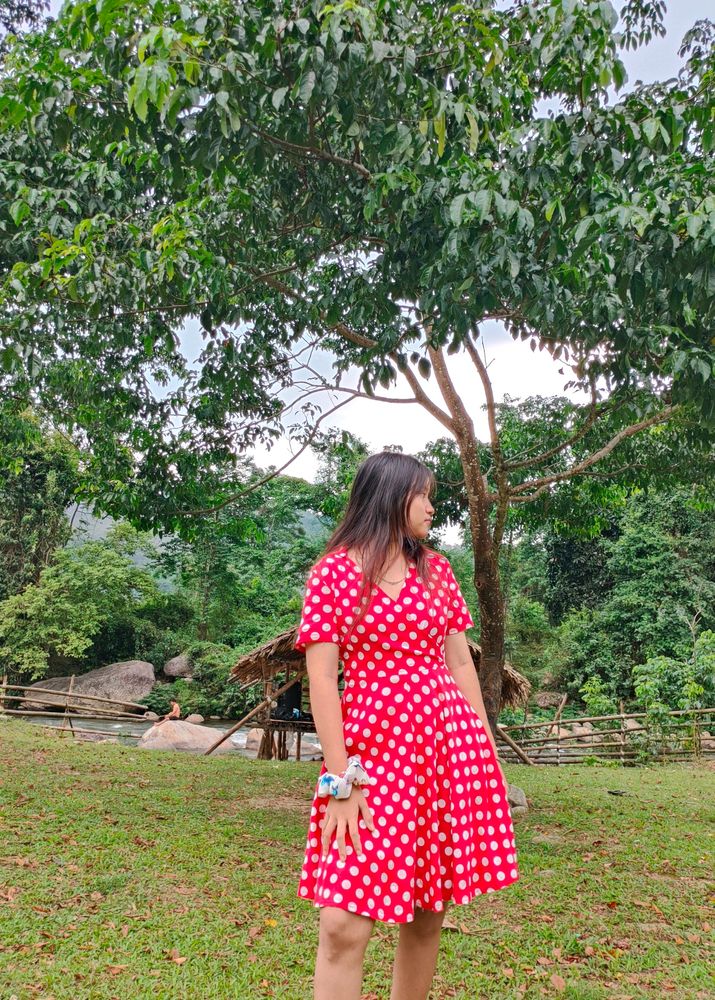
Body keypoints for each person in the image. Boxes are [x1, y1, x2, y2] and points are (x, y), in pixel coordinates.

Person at [294, 452, 519, 1000]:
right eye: (424, 494)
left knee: (425, 910)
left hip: (447, 751)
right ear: (392, 497)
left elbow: (461, 663)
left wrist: (487, 754)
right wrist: (340, 780)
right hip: (370, 760)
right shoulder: (335, 572)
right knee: (342, 924)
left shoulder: (435, 570)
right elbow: (322, 680)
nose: (433, 506)